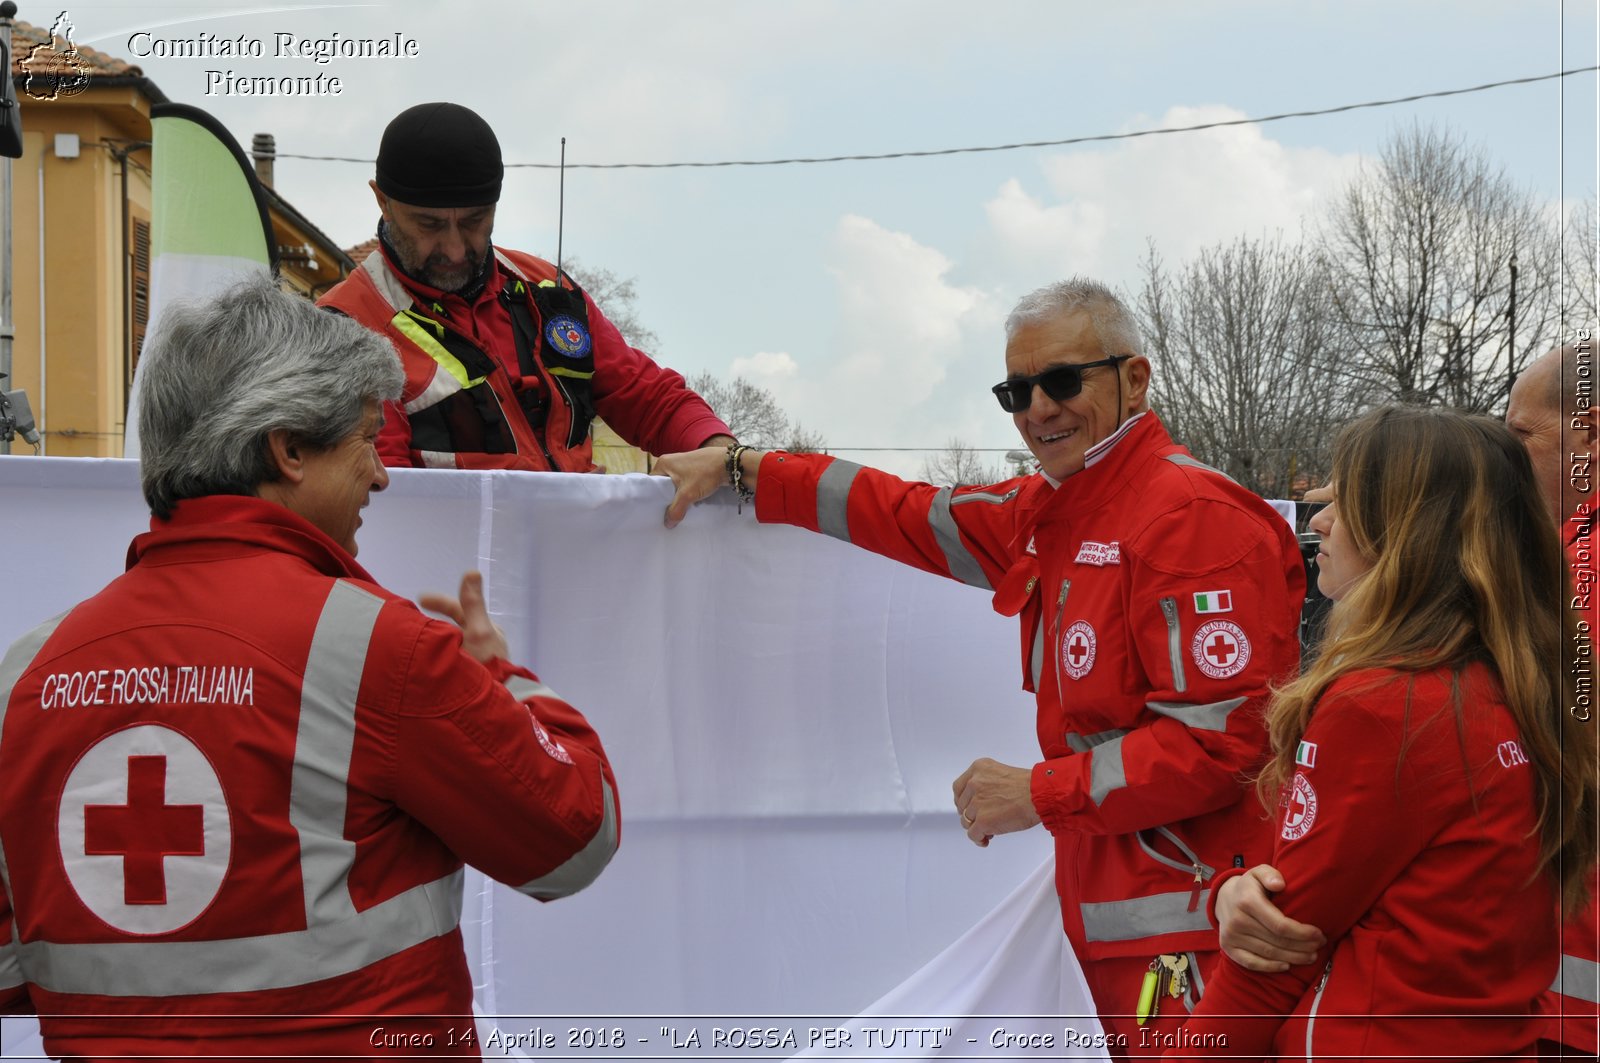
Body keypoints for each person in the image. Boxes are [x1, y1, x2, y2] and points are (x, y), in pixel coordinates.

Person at [654, 278, 1306, 1057]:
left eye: (1062, 381)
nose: (1038, 410)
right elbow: (903, 512)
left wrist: (1036, 791)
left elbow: (1222, 746)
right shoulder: (1051, 512)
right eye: (1015, 390)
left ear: (1136, 378)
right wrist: (745, 469)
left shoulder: (1193, 518)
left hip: (1200, 944)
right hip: (1131, 935)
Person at [0, 280, 620, 1058]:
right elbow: (574, 833)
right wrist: (502, 677)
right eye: (365, 438)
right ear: (288, 449)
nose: (382, 473)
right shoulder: (382, 652)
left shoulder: (23, 676)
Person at [1213, 344, 1600, 1060]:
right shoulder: (1506, 672)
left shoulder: (1391, 703)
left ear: (1406, 527)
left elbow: (1281, 946)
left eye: (1344, 499)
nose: (1317, 522)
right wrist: (1243, 888)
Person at [319, 101, 734, 472]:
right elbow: (378, 495)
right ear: (382, 202)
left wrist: (720, 451)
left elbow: (646, 397)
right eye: (429, 224)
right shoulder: (342, 329)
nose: (455, 248)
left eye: (474, 221)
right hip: (455, 556)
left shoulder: (545, 288)